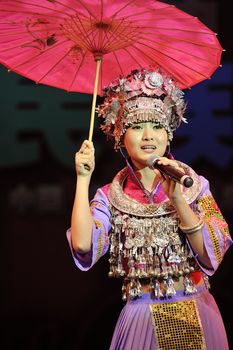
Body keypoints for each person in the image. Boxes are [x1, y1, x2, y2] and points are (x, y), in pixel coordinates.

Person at [66, 68, 232, 350]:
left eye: (156, 126)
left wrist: (178, 200)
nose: (147, 136)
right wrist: (83, 179)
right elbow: (83, 246)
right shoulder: (110, 196)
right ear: (121, 136)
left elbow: (211, 256)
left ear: (168, 136)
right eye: (137, 126)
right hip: (140, 315)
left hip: (192, 309)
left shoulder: (194, 186)